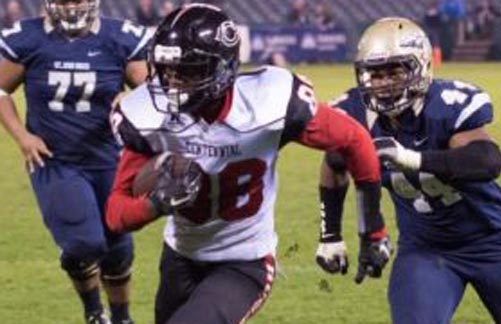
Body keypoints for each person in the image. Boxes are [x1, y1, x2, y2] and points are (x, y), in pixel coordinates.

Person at [105, 4, 391, 324]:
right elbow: (116, 214)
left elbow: (354, 140)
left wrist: (373, 230)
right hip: (180, 257)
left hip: (245, 262)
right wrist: (156, 205)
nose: (172, 84)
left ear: (222, 68)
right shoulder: (147, 117)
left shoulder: (269, 102)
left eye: (187, 70)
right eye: (167, 69)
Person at [316, 17, 501, 324]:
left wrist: (411, 159)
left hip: (492, 240)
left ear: (421, 66)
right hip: (426, 249)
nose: (384, 83)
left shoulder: (445, 105)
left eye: (395, 71)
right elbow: (334, 163)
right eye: (375, 74)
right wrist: (331, 234)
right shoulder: (355, 113)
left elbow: (488, 160)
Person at [0, 0, 151, 323]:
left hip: (110, 159)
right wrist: (22, 137)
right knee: (84, 244)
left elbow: (153, 92)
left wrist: (132, 99)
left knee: (118, 249)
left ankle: (122, 318)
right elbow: (0, 89)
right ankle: (95, 313)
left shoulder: (118, 37)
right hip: (56, 160)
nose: (71, 6)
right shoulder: (27, 38)